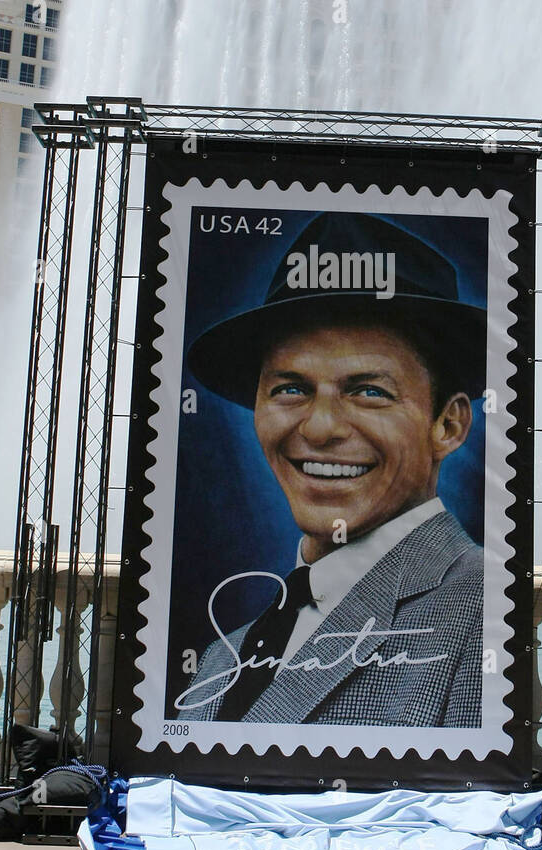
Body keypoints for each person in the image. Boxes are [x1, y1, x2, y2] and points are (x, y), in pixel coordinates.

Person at [175, 211, 488, 729]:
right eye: (290, 389)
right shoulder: (224, 656)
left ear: (448, 425)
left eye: (369, 392)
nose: (319, 429)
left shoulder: (484, 619)